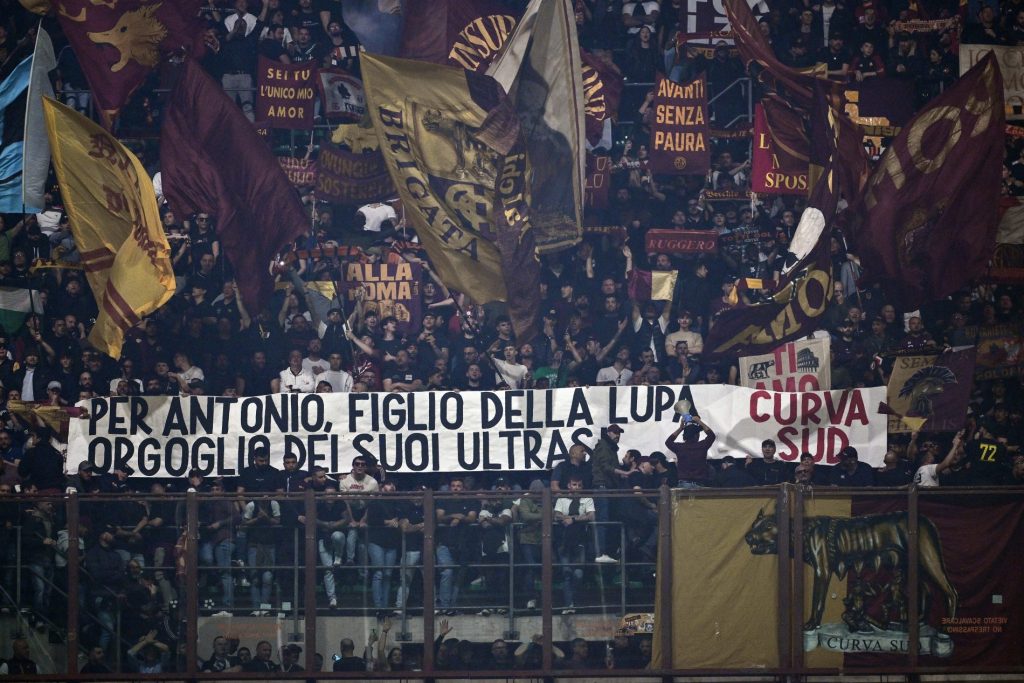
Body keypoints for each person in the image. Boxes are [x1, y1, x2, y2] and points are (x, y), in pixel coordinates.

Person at [554, 475, 594, 614]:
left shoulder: (587, 499)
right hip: (564, 541)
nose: (576, 487)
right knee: (567, 573)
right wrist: (569, 518)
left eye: (579, 485)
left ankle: (574, 600)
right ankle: (568, 604)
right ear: (569, 486)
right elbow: (557, 515)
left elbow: (591, 516)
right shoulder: (562, 499)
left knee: (578, 574)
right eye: (574, 484)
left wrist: (573, 520)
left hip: (580, 541)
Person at [664, 415, 716, 487]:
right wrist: (699, 422)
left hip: (683, 484)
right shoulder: (702, 446)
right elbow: (711, 436)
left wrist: (681, 428)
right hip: (699, 484)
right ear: (696, 435)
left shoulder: (680, 447)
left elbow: (668, 442)